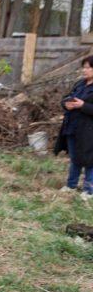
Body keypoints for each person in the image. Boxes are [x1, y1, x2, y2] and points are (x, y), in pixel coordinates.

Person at [55, 55, 93, 200]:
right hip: (72, 127)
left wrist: (83, 105)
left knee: (90, 160)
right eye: (84, 67)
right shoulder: (80, 84)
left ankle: (89, 190)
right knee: (75, 158)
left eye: (89, 67)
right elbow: (67, 97)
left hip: (88, 131)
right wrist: (66, 104)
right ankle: (71, 185)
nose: (85, 70)